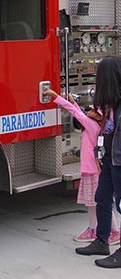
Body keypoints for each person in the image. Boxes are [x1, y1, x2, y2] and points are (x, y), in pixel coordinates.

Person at [43, 88, 119, 244]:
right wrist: (73, 102)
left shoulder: (92, 126)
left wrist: (56, 97)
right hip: (90, 169)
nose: (89, 111)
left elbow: (78, 115)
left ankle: (113, 231)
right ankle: (94, 229)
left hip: (92, 170)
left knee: (100, 203)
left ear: (98, 115)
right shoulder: (97, 124)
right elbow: (81, 114)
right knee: (94, 203)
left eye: (92, 109)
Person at [75, 55, 121, 268]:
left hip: (119, 160)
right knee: (102, 197)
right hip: (110, 159)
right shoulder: (110, 104)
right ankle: (101, 240)